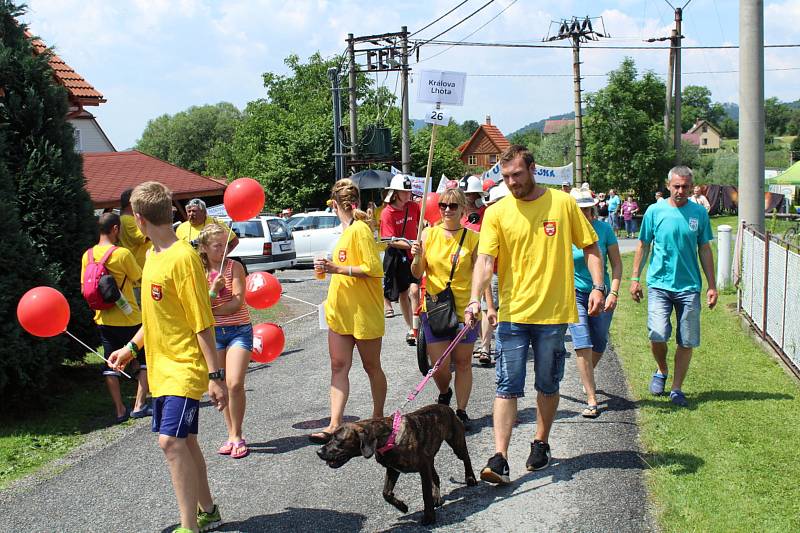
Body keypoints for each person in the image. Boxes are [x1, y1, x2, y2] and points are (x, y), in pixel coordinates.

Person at [465, 145, 605, 484]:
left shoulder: (562, 203)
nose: (512, 182)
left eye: (517, 175)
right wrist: (474, 300)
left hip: (554, 314)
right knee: (506, 385)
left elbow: (590, 246)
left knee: (547, 382)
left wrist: (599, 286)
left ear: (532, 169)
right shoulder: (497, 213)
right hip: (513, 314)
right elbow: (485, 261)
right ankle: (499, 457)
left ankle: (540, 442)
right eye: (506, 177)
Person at [108, 181, 228, 533]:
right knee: (186, 441)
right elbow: (156, 316)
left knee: (170, 442)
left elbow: (201, 321)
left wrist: (215, 376)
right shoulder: (151, 256)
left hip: (185, 369)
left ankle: (189, 527)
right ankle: (209, 511)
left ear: (140, 220)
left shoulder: (183, 258)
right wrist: (131, 348)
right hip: (160, 370)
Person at [630, 166, 717, 408]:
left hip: (689, 286)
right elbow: (643, 245)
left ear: (692, 187)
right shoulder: (654, 211)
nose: (680, 191)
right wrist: (635, 277)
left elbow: (705, 249)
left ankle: (677, 389)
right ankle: (661, 369)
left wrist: (712, 285)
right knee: (657, 334)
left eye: (685, 187)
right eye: (676, 186)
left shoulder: (699, 213)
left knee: (686, 340)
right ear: (668, 185)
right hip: (659, 284)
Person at [309, 178, 387, 443]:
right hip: (340, 312)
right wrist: (324, 269)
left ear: (334, 204)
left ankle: (378, 417)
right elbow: (340, 270)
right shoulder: (345, 232)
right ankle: (334, 423)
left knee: (371, 366)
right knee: (338, 365)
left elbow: (373, 269)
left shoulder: (361, 230)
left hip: (363, 312)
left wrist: (336, 268)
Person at [410, 187, 492, 430]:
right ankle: (444, 391)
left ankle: (461, 411)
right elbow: (417, 273)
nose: (447, 209)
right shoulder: (428, 234)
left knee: (464, 362)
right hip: (435, 308)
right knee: (439, 367)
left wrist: (484, 304)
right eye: (443, 205)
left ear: (463, 209)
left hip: (465, 310)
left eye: (453, 206)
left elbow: (481, 273)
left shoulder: (473, 238)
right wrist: (416, 256)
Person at [81, 213, 150, 423]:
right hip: (130, 319)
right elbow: (139, 277)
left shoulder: (88, 255)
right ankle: (139, 405)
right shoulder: (122, 254)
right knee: (145, 360)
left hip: (103, 318)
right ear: (115, 229)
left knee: (110, 362)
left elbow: (84, 287)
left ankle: (120, 410)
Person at [198, 223, 253, 460]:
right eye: (217, 246)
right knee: (220, 385)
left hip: (239, 330)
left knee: (234, 383)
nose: (223, 250)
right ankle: (231, 434)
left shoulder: (235, 267)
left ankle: (238, 434)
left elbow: (237, 303)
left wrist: (210, 311)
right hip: (214, 335)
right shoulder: (198, 271)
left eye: (225, 244)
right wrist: (213, 290)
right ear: (204, 248)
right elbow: (197, 305)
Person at [568, 188, 623, 418]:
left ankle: (587, 374)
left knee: (599, 342)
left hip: (601, 292)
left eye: (587, 209)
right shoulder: (565, 233)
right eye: (579, 210)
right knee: (583, 343)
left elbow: (618, 264)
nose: (584, 213)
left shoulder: (604, 229)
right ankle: (592, 399)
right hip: (574, 293)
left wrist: (614, 293)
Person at [380, 174, 421, 345]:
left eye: (409, 190)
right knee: (403, 294)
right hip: (399, 257)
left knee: (414, 291)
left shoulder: (414, 206)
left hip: (416, 256)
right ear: (395, 193)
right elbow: (389, 240)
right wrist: (410, 244)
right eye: (404, 191)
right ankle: (411, 327)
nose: (408, 194)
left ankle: (418, 327)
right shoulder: (387, 212)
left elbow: (421, 225)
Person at [476, 181, 509, 366]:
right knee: (489, 307)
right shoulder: (490, 221)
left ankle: (496, 347)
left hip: (513, 274)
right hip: (494, 271)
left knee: (502, 309)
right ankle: (486, 347)